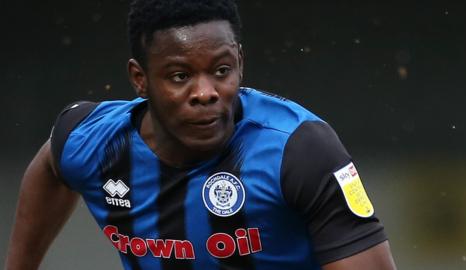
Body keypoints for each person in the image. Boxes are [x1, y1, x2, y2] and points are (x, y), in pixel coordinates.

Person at [5, 0, 397, 269]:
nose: (206, 92)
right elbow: (52, 165)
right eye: (180, 76)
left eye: (221, 70)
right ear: (139, 79)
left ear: (240, 62)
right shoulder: (95, 143)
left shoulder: (300, 150)